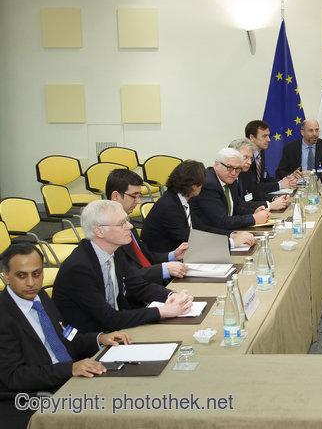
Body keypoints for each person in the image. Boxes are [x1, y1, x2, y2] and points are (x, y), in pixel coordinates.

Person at [0, 243, 131, 428]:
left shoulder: (40, 296)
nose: (31, 282)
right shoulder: (4, 316)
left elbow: (67, 336)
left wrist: (99, 338)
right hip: (34, 395)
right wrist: (69, 369)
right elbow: (15, 376)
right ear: (5, 276)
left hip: (69, 378)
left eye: (37, 274)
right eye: (22, 276)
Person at [52, 200, 193, 333]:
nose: (130, 226)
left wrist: (172, 296)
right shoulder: (79, 268)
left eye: (127, 220)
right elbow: (108, 318)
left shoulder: (115, 251)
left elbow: (139, 287)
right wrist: (163, 311)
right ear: (99, 231)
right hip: (93, 338)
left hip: (115, 327)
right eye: (122, 223)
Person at [141, 161, 256, 253]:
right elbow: (190, 240)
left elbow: (200, 227)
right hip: (164, 262)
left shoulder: (182, 198)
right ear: (194, 186)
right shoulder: (169, 206)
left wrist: (231, 235)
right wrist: (232, 243)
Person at [105, 169, 188, 284]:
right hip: (139, 288)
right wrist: (164, 269)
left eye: (139, 196)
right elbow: (126, 275)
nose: (138, 201)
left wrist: (173, 255)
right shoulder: (108, 231)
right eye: (134, 196)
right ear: (115, 196)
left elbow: (145, 256)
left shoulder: (127, 220)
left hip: (150, 282)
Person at [190, 148, 271, 235]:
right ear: (216, 165)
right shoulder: (208, 184)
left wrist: (254, 212)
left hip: (225, 231)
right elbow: (221, 221)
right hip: (208, 235)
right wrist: (253, 218)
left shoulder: (229, 179)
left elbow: (235, 208)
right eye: (229, 168)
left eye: (238, 169)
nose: (233, 173)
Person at [229, 138, 290, 210]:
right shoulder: (228, 177)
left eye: (251, 158)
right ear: (233, 156)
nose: (249, 162)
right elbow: (238, 206)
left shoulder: (246, 174)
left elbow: (255, 194)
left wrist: (275, 198)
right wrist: (269, 205)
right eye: (245, 157)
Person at [245, 119, 298, 192]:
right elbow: (252, 187)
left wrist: (285, 181)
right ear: (252, 137)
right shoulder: (245, 158)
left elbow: (264, 179)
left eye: (268, 136)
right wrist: (279, 185)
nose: (269, 139)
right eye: (264, 136)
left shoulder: (260, 152)